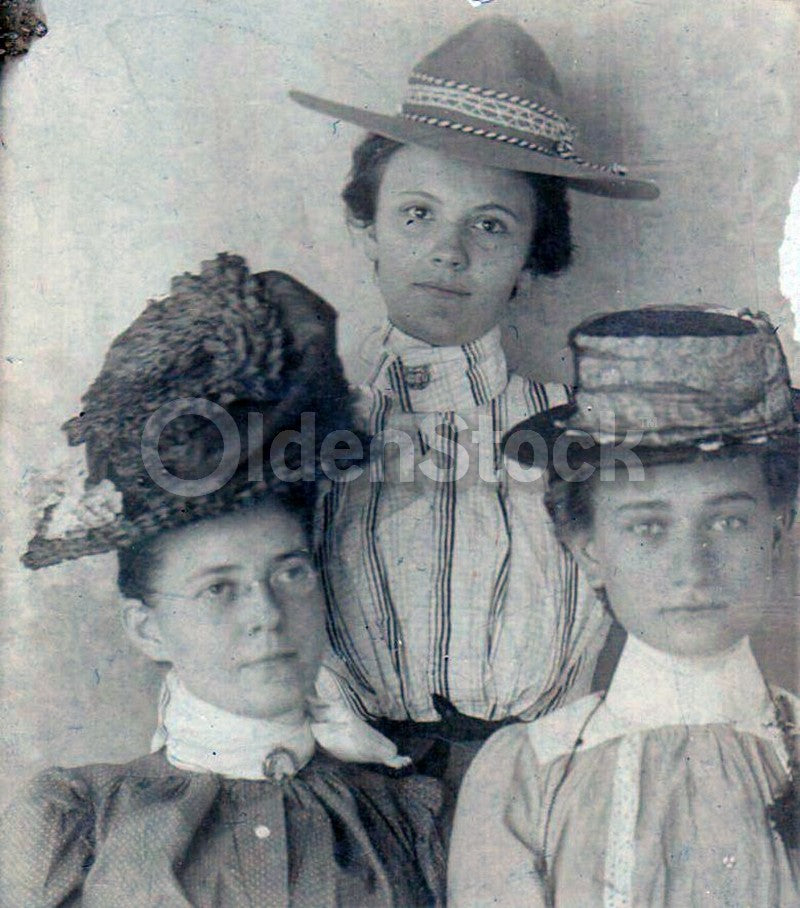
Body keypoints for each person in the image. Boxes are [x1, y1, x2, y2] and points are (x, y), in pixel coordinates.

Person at [0, 254, 444, 907]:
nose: (267, 613)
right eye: (219, 588)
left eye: (290, 572)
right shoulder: (80, 819)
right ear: (147, 628)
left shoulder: (401, 819)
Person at [290, 17, 658, 792]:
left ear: (532, 257)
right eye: (417, 214)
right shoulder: (301, 425)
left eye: (490, 226)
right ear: (368, 228)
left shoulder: (587, 432)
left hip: (539, 803)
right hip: (340, 809)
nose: (449, 253)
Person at [449, 306, 800, 906]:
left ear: (778, 528)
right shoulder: (529, 774)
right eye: (648, 527)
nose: (693, 568)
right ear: (587, 550)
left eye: (728, 520)